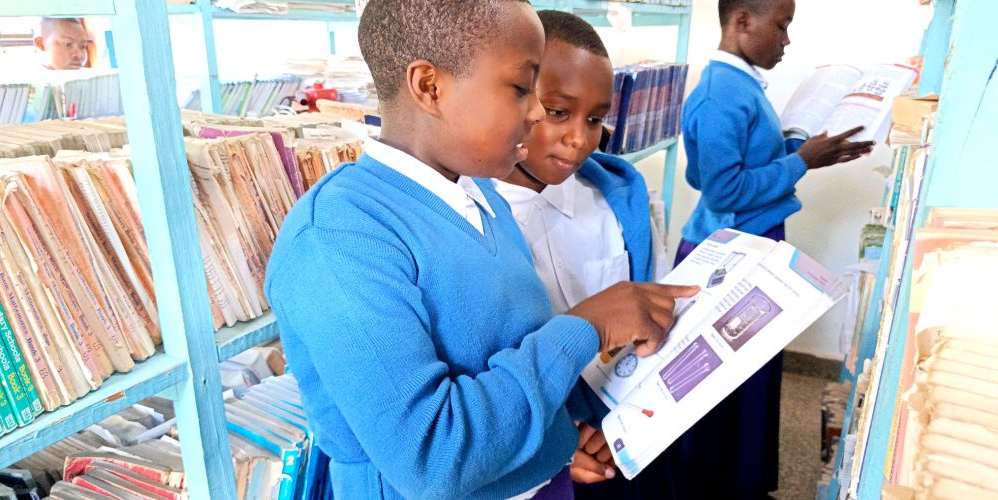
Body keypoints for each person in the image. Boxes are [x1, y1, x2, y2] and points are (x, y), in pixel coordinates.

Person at [264, 1, 697, 499]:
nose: (536, 112)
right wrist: (588, 326)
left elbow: (509, 353)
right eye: (520, 88)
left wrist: (552, 441)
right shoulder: (340, 238)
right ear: (430, 87)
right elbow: (430, 456)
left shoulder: (479, 193)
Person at [669, 0, 874, 498]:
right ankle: (716, 486)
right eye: (780, 26)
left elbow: (710, 171)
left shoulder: (737, 87)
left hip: (751, 243)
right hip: (731, 253)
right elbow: (722, 190)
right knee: (725, 387)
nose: (786, 41)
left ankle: (738, 483)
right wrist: (800, 161)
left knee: (748, 379)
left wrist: (804, 156)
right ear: (741, 22)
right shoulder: (722, 94)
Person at [492, 10, 675, 499]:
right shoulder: (474, 224)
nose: (579, 138)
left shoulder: (617, 203)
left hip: (629, 433)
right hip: (538, 454)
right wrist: (558, 444)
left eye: (595, 119)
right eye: (558, 112)